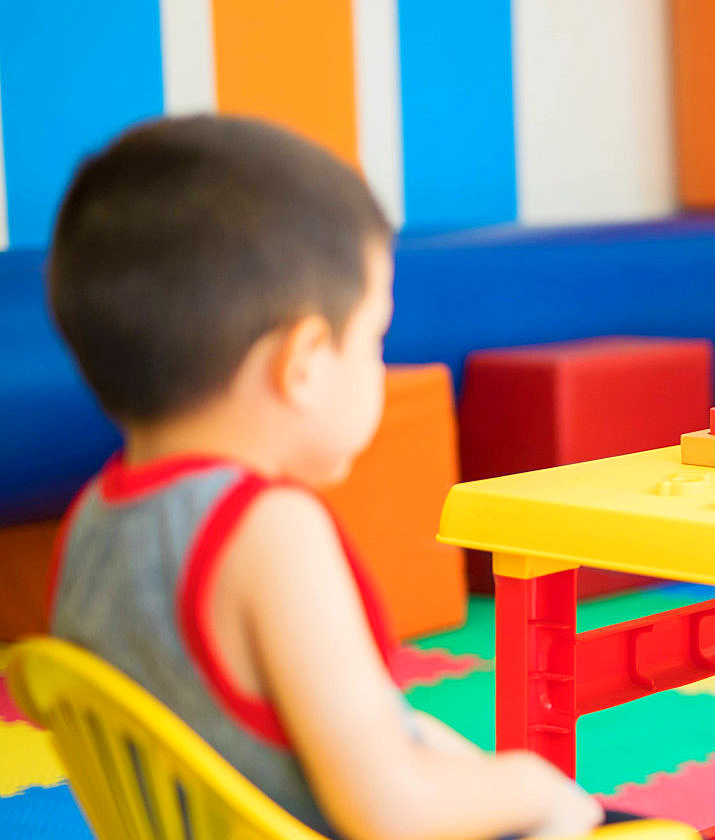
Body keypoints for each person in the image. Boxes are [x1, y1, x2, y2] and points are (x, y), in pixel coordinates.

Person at [44, 116, 621, 839]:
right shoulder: (268, 532)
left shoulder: (92, 520)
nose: (379, 365)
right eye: (375, 337)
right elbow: (391, 813)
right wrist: (535, 788)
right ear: (306, 363)